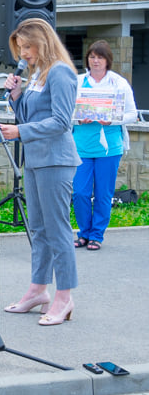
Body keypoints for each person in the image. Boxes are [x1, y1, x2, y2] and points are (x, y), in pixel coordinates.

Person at [0, 18, 80, 326]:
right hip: (34, 160)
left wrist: (19, 130)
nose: (23, 54)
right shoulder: (36, 76)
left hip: (56, 161)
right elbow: (27, 117)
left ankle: (64, 296)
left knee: (58, 231)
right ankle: (37, 290)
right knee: (38, 229)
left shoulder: (60, 72)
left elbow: (62, 122)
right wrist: (16, 95)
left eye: (27, 47)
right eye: (20, 48)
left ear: (42, 43)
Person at [72, 40, 138, 251]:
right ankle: (83, 232)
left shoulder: (118, 83)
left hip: (109, 148)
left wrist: (112, 119)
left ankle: (96, 235)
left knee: (103, 193)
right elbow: (66, 111)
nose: (95, 61)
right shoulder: (78, 81)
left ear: (107, 60)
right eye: (92, 57)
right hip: (81, 145)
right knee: (80, 192)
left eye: (100, 57)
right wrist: (77, 119)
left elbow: (132, 114)